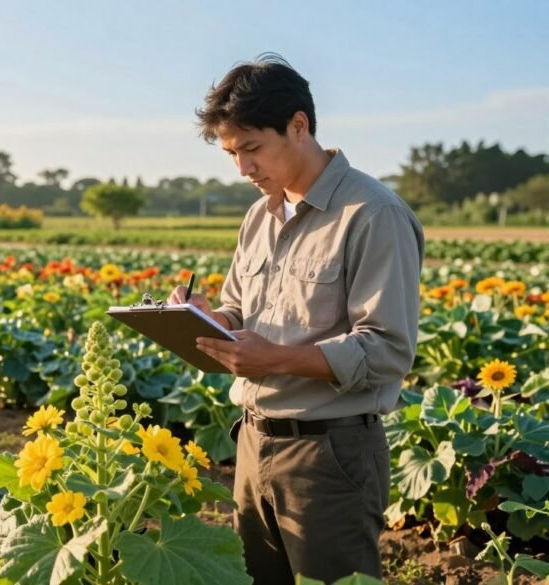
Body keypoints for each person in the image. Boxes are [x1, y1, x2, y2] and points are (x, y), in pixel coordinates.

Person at [167, 53, 423, 584]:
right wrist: (206, 319)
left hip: (329, 456)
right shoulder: (259, 215)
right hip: (251, 442)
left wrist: (274, 358)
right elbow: (241, 308)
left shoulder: (374, 214)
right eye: (232, 153)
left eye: (252, 149)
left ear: (299, 126)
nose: (242, 169)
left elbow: (387, 349)